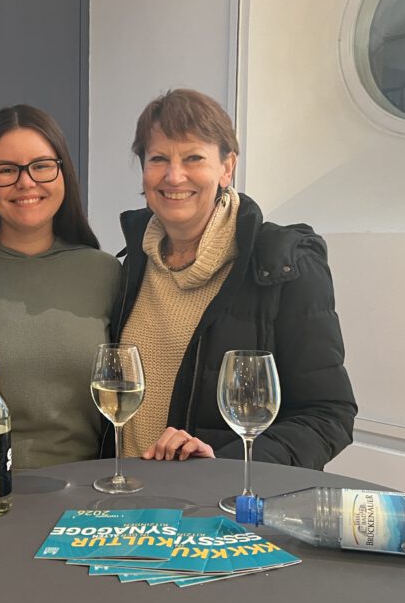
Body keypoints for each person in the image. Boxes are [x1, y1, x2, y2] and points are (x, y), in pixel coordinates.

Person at [111, 88, 356, 468]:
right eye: (158, 159)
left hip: (219, 498)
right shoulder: (132, 264)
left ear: (227, 168)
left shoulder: (285, 265)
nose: (174, 176)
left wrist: (223, 467)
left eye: (193, 158)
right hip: (127, 493)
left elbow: (327, 416)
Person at [0, 105, 120, 468]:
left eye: (42, 166)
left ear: (63, 172)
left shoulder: (106, 273)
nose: (26, 182)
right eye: (6, 170)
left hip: (90, 492)